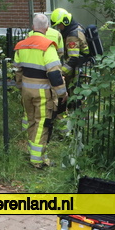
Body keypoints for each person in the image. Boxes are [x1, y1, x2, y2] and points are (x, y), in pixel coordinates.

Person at [13, 12, 68, 168]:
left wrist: (21, 87)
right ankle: (37, 160)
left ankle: (33, 152)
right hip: (42, 91)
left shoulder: (21, 45)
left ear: (33, 27)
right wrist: (62, 93)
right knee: (42, 123)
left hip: (26, 90)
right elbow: (55, 73)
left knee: (31, 121)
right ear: (47, 27)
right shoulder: (48, 47)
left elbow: (17, 71)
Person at [50, 7, 92, 87]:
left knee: (76, 92)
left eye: (59, 24)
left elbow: (73, 59)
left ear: (65, 21)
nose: (58, 27)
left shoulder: (72, 36)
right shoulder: (76, 27)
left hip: (79, 71)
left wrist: (60, 73)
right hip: (82, 67)